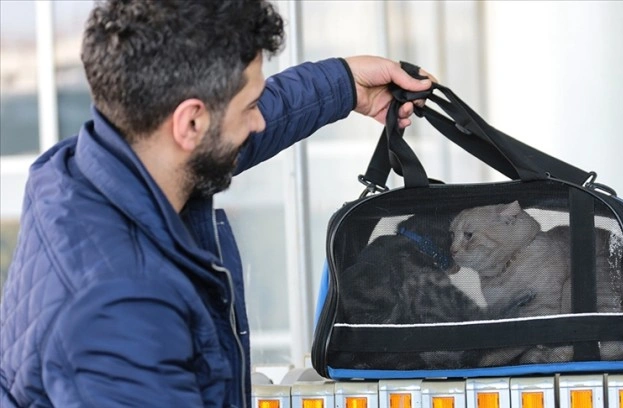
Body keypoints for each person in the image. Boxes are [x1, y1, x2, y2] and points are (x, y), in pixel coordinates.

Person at [0, 1, 433, 407]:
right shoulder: (122, 314)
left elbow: (241, 129)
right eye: (249, 106)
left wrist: (344, 84)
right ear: (190, 122)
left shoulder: (89, 167)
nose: (259, 120)